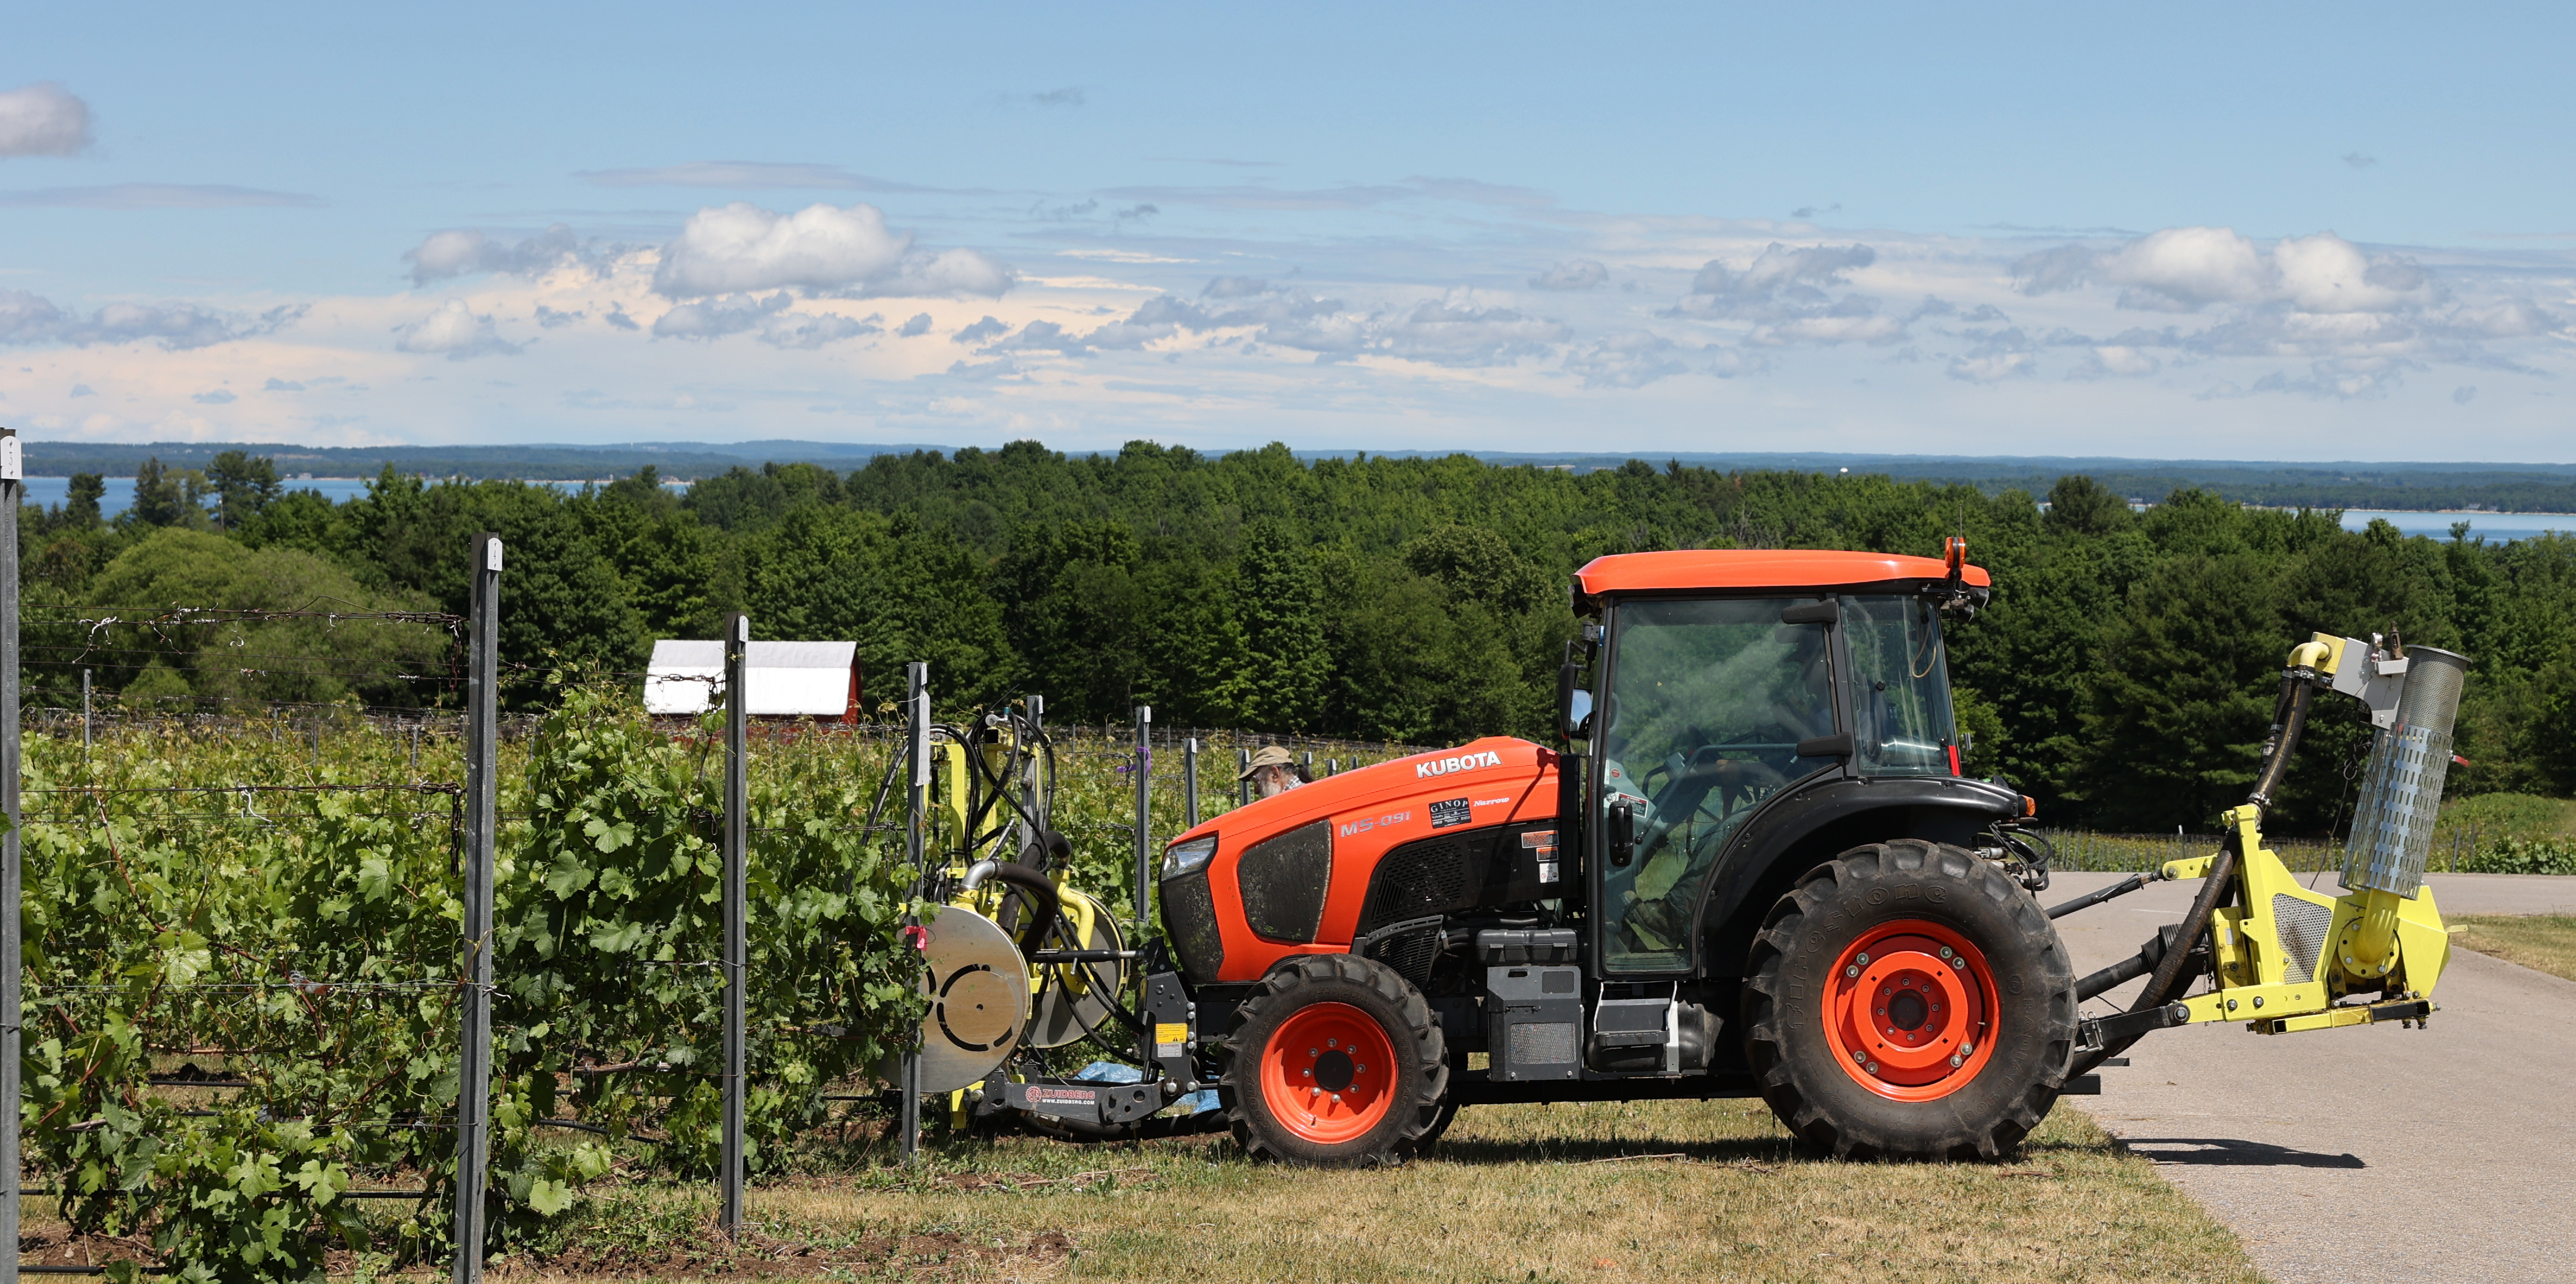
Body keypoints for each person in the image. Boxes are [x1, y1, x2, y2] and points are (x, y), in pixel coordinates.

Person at [1238, 745, 1309, 799]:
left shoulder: (1298, 800)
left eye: (1257, 781)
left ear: (1274, 774)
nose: (1256, 791)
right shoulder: (1302, 795)